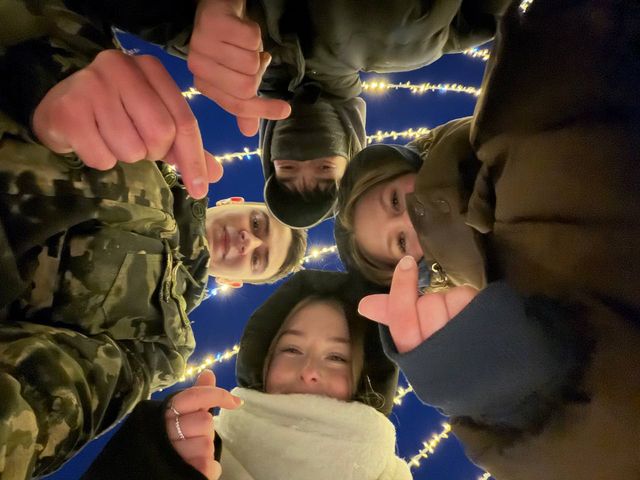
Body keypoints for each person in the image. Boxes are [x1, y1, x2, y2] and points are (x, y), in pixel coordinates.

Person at [336, 0, 640, 478]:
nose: (410, 222)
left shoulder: (512, 111)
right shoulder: (515, 300)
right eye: (400, 244)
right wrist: (515, 398)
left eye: (395, 201)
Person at [0, 14, 306, 480]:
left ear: (235, 281)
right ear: (235, 202)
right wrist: (42, 79)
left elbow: (44, 404)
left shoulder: (160, 342)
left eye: (259, 257)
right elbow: (53, 24)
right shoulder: (155, 137)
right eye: (258, 223)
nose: (248, 239)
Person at [37, 0, 509, 228]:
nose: (305, 159)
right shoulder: (418, 49)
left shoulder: (207, 44)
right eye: (323, 171)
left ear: (269, 154)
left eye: (287, 171)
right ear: (351, 150)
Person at [81, 270, 409, 480]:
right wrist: (157, 461)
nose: (309, 371)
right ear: (263, 361)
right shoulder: (202, 448)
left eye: (336, 357)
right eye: (291, 349)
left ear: (364, 377)